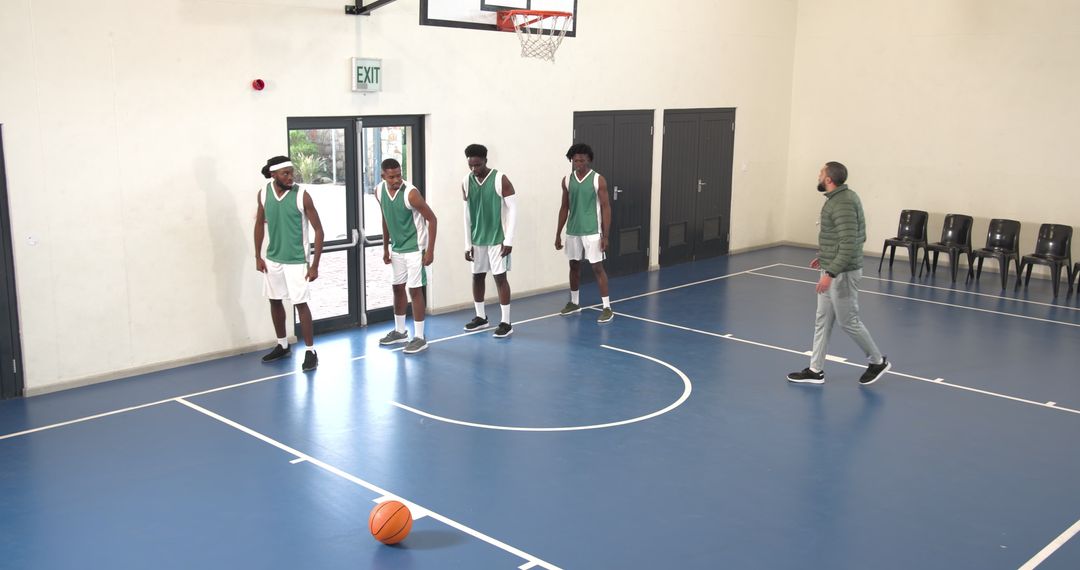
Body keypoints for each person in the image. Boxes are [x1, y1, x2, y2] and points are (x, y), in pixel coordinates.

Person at [788, 161, 891, 386]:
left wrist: (831, 272)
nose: (818, 175)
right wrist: (825, 257)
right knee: (822, 320)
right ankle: (816, 370)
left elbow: (850, 242)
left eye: (820, 173)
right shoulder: (842, 198)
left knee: (848, 321)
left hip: (842, 274)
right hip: (833, 267)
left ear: (828, 179)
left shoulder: (842, 203)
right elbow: (844, 238)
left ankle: (877, 361)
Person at [254, 155, 324, 372]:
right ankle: (282, 345)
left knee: (300, 304)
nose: (290, 176)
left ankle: (311, 351)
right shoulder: (263, 194)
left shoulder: (302, 195)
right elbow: (259, 224)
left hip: (297, 260)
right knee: (275, 301)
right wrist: (258, 255)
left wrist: (314, 265)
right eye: (285, 173)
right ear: (273, 174)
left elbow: (319, 230)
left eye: (291, 172)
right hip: (273, 259)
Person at [375, 158, 438, 354]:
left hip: (414, 249)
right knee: (397, 288)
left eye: (399, 175)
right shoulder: (378, 191)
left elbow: (432, 219)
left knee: (415, 290)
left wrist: (429, 250)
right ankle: (400, 331)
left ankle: (419, 337)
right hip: (397, 249)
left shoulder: (411, 194)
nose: (396, 180)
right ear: (383, 176)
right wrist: (385, 247)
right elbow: (385, 218)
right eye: (392, 177)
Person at [461, 144, 517, 338]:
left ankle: (506, 322)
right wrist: (467, 244)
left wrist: (508, 240)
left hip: (497, 239)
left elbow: (513, 210)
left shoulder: (501, 179)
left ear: (485, 160)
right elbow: (466, 215)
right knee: (477, 277)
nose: (474, 169)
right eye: (471, 165)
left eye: (477, 165)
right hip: (477, 240)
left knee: (500, 278)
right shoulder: (466, 181)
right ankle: (481, 317)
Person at [554, 143, 614, 323]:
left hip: (592, 231)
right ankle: (574, 302)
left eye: (581, 159)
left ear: (588, 159)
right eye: (574, 160)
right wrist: (558, 233)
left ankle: (607, 307)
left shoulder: (598, 180)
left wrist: (605, 235)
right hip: (573, 231)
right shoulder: (566, 179)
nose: (578, 162)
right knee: (573, 266)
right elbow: (564, 207)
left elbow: (606, 208)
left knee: (597, 268)